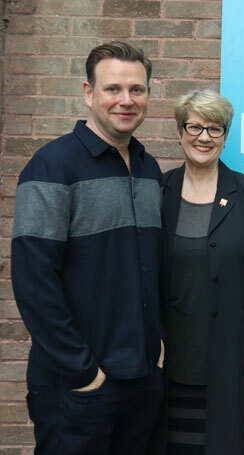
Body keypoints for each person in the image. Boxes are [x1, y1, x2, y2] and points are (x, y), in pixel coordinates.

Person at [11, 41, 165, 454]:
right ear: (88, 93)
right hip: (78, 387)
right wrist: (84, 372)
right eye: (113, 88)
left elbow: (151, 268)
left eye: (137, 89)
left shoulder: (150, 170)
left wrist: (158, 345)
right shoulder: (52, 166)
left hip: (143, 382)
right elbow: (33, 282)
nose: (126, 100)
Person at [160, 89, 244, 454]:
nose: (204, 138)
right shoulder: (158, 190)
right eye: (194, 127)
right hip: (167, 357)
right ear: (180, 132)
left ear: (225, 137)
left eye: (215, 129)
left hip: (230, 355)